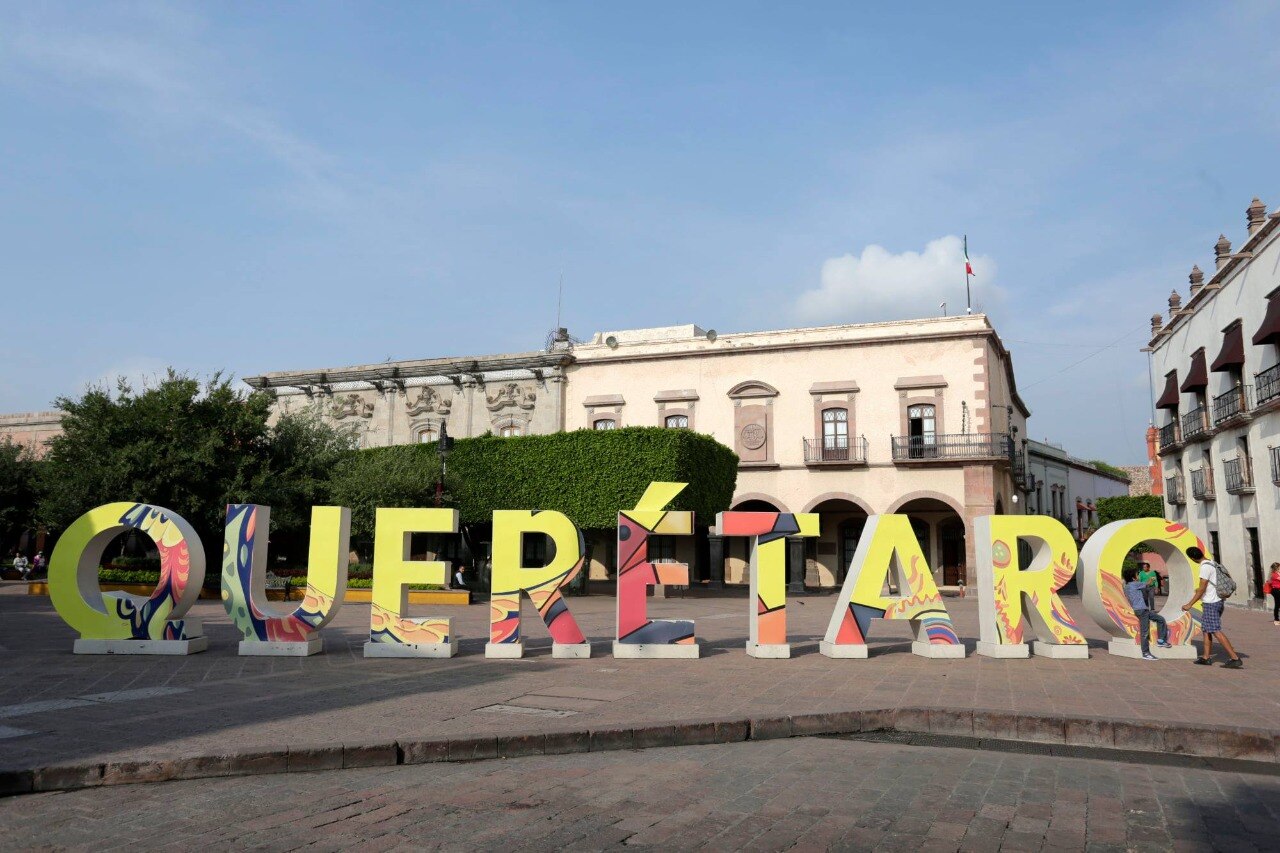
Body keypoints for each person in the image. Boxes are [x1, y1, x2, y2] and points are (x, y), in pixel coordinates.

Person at [1181, 546, 1243, 668]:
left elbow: (1202, 588)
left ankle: (1234, 658)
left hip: (1211, 603)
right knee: (1206, 629)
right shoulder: (1213, 563)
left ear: (1192, 558)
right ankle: (1206, 657)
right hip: (1218, 600)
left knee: (1215, 630)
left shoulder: (1204, 567)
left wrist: (1190, 604)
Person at [1123, 565, 1170, 660]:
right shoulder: (1135, 584)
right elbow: (1148, 583)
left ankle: (1161, 640)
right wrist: (1152, 578)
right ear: (1133, 577)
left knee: (1160, 619)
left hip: (1141, 610)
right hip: (1142, 611)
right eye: (1137, 575)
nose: (1138, 576)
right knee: (1145, 632)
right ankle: (1145, 653)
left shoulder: (1127, 586)